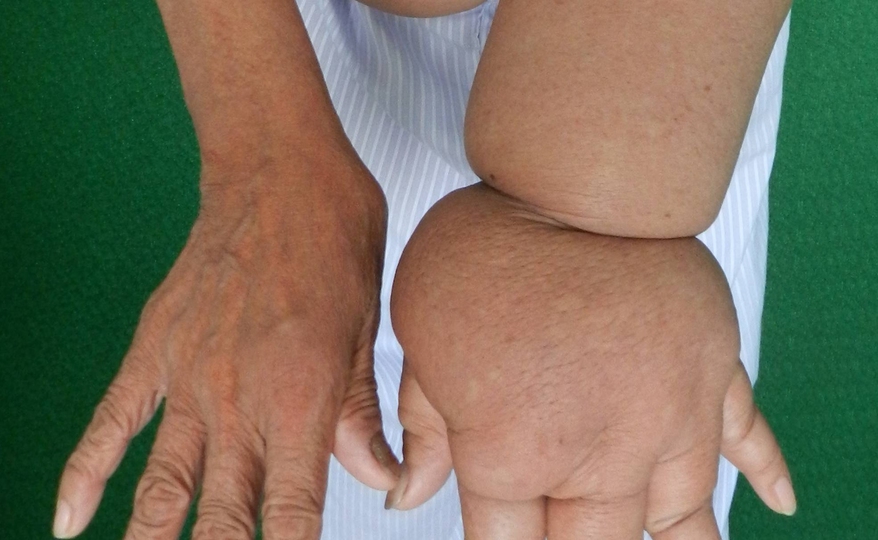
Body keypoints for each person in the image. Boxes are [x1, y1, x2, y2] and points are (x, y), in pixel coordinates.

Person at [52, 0, 797, 538]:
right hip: (297, 48)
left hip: (654, 89)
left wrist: (583, 213)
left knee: (611, 458)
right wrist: (265, 147)